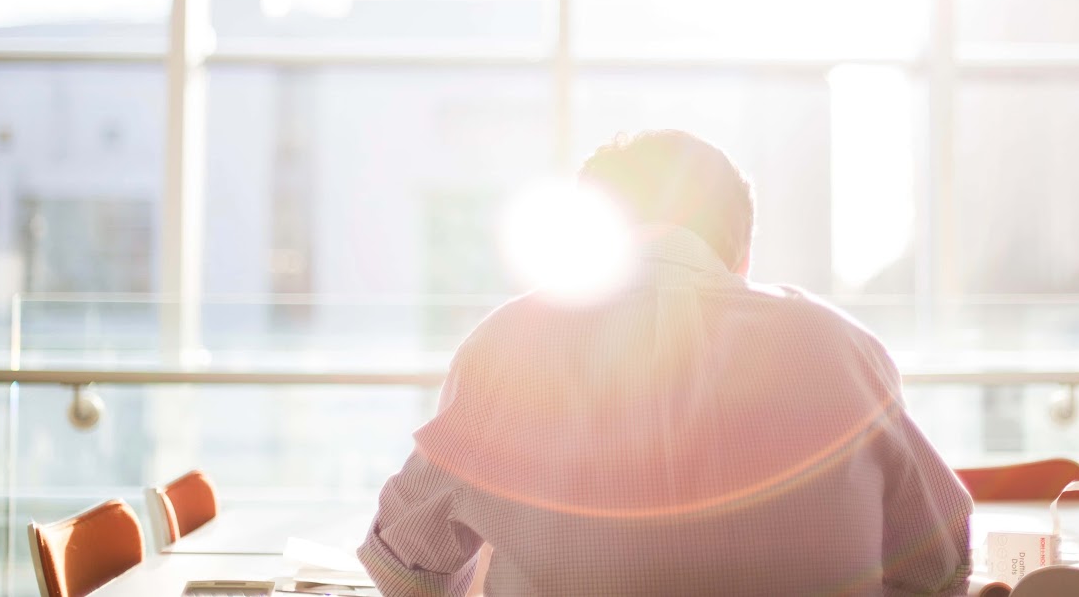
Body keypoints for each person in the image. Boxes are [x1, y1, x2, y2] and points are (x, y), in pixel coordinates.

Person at [359, 130, 972, 596]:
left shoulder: (511, 344)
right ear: (743, 251)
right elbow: (939, 564)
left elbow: (402, 565)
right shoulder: (842, 348)